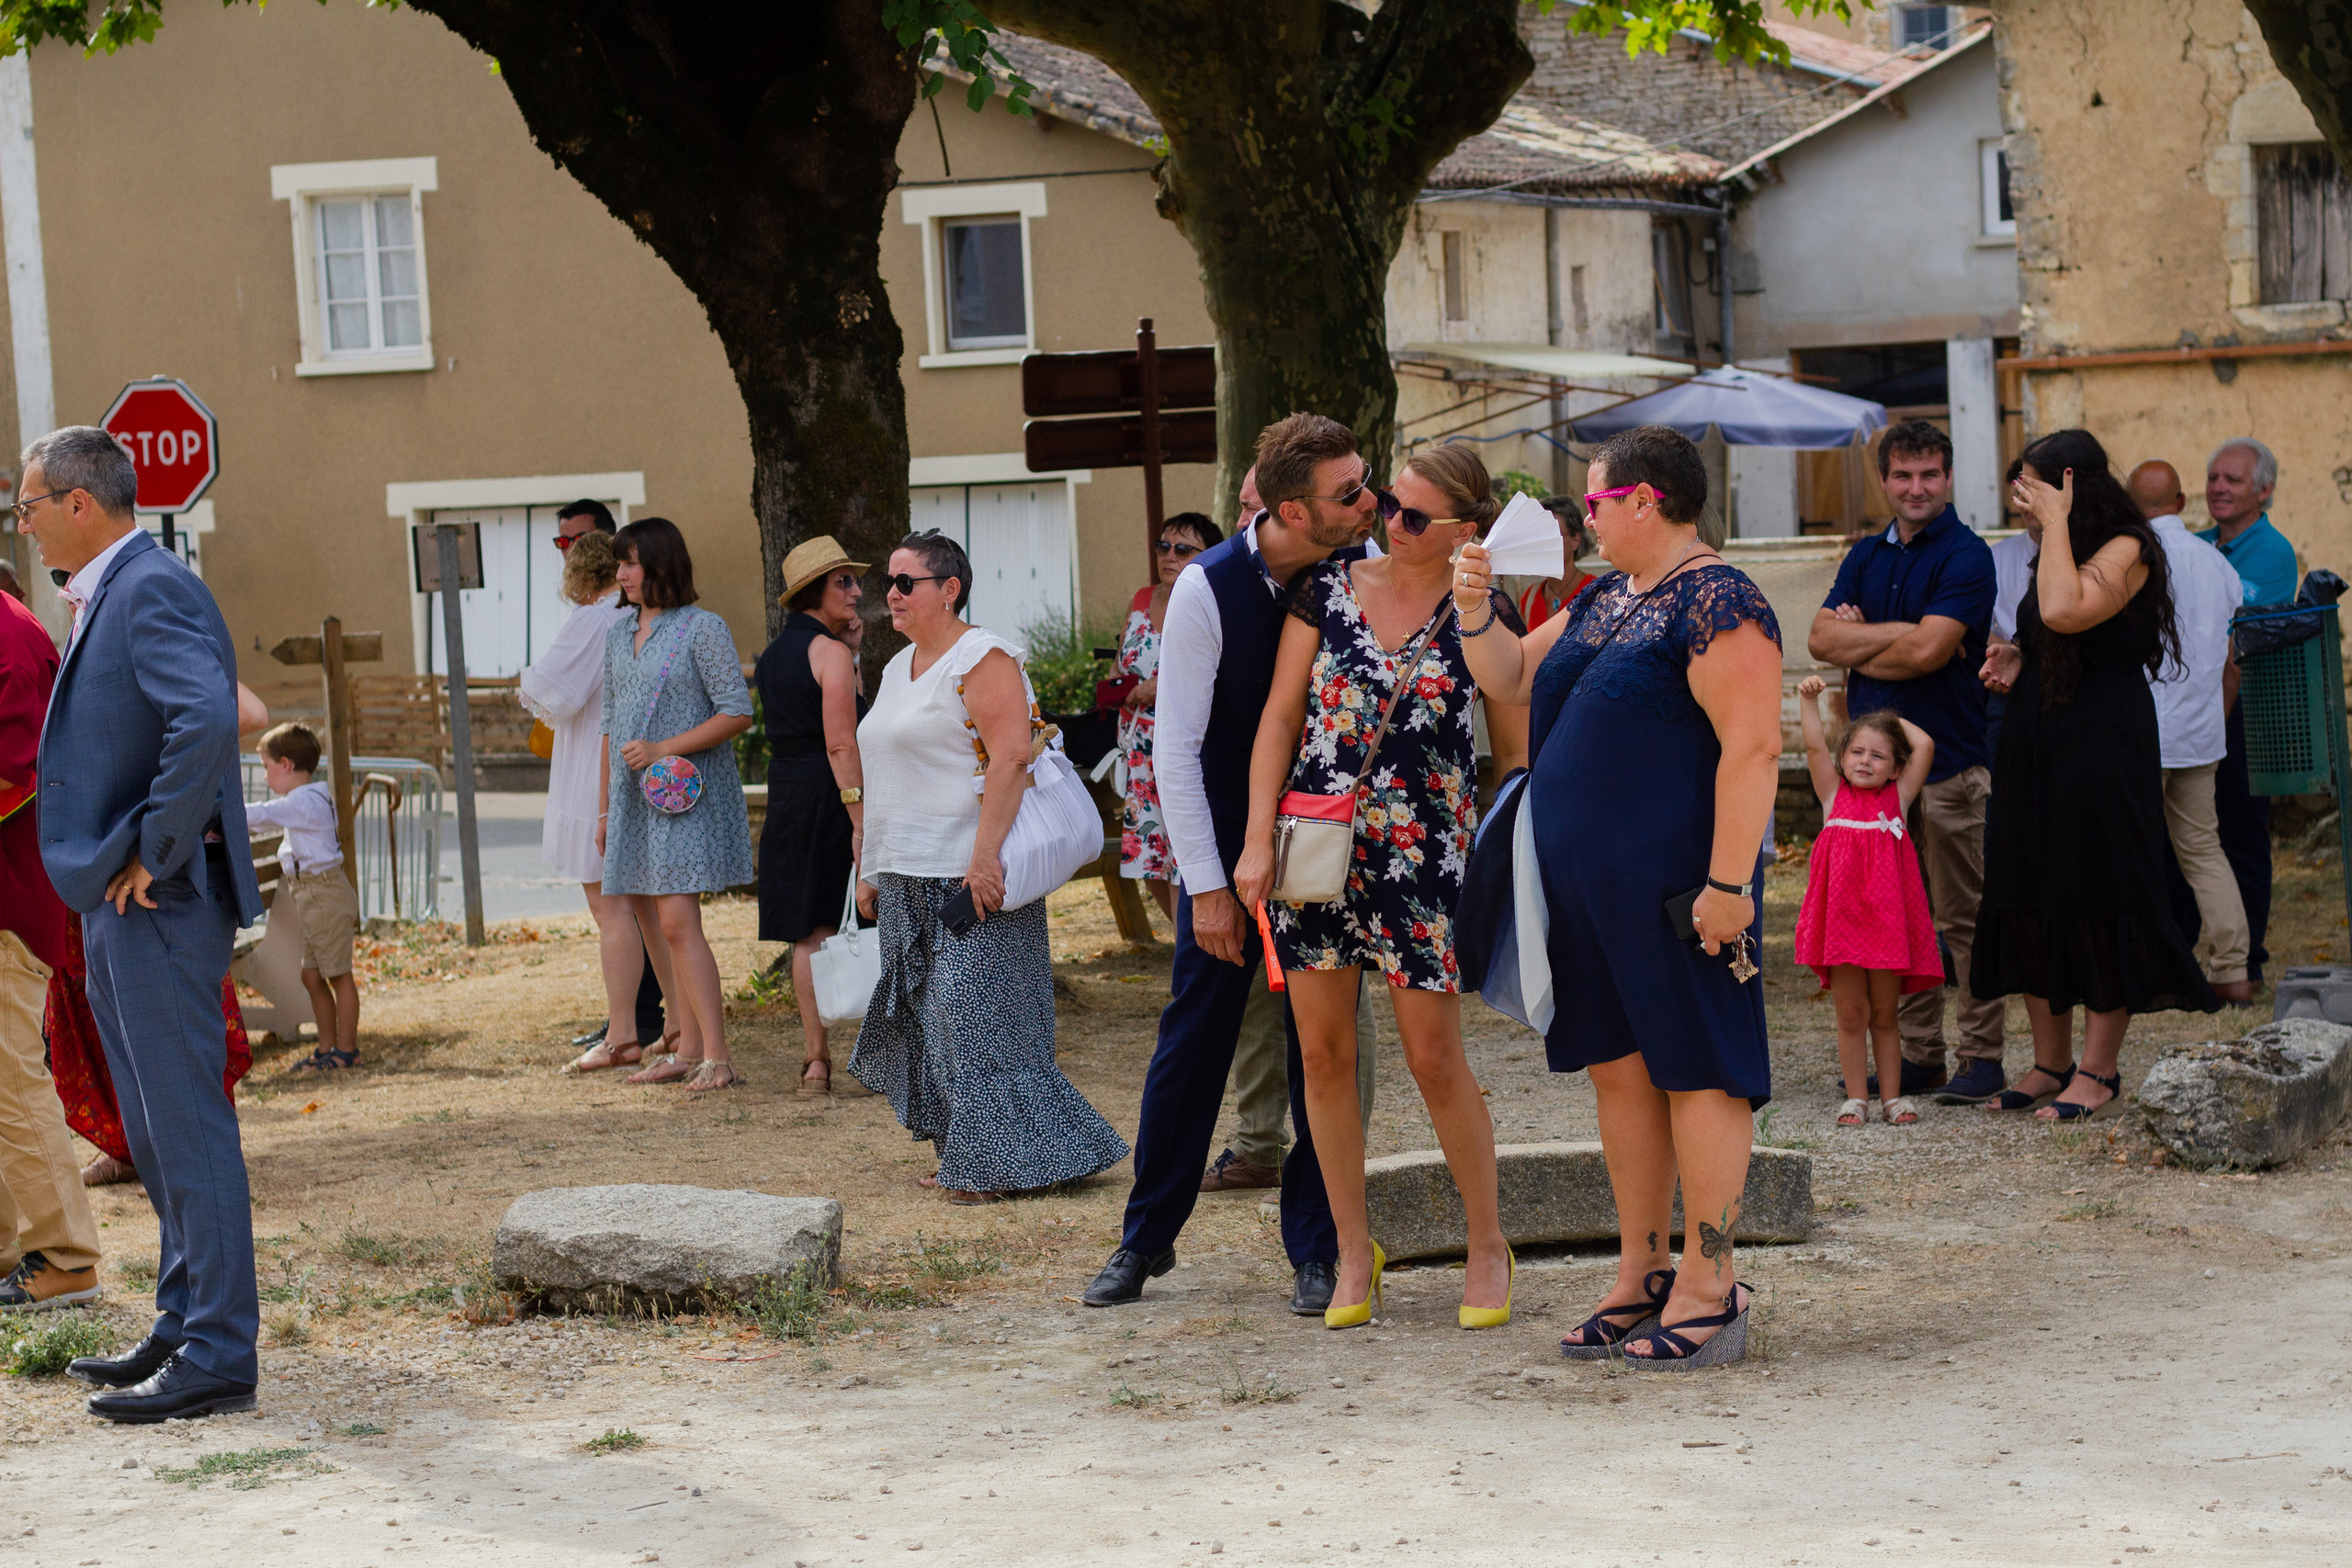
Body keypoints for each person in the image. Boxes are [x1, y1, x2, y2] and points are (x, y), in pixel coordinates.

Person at [1453, 423, 1781, 1367]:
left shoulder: (1720, 599)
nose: (1583, 517)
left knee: (1700, 1070)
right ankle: (1641, 1270)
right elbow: (1510, 678)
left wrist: (1727, 885)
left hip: (1680, 885)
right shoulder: (1607, 597)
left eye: (1593, 501)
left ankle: (1710, 1281)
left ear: (1643, 499)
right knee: (1620, 1069)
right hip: (1586, 889)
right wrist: (1478, 610)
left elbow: (1755, 749)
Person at [1082, 414, 1380, 1314]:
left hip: (1327, 845)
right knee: (1193, 1046)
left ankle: (1318, 1251)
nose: (1368, 503)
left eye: (1365, 484)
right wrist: (1206, 888)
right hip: (1222, 840)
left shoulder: (1355, 570)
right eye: (1348, 493)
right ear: (1292, 508)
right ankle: (1144, 1240)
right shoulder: (1208, 589)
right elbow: (1174, 748)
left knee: (1321, 1055)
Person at [1233, 443, 1520, 1329]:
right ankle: (1355, 1248)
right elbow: (1281, 715)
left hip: (1426, 857)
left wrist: (1497, 857)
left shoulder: (1483, 610)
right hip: (1316, 848)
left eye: (1417, 515)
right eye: (1391, 501)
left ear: (1467, 531)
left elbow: (1513, 746)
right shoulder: (1327, 590)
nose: (1392, 520)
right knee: (1320, 1054)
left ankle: (1486, 1243)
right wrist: (1253, 843)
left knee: (1434, 1056)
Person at [18, 425, 264, 1421]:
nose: (25, 524)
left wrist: (149, 849)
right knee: (154, 1132)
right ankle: (181, 1321)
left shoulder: (149, 585)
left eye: (30, 505)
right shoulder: (114, 589)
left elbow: (208, 717)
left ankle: (218, 1352)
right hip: (125, 902)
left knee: (187, 1125)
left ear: (81, 502)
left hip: (158, 898)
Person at [849, 530, 1128, 1201]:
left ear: (950, 589)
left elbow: (1011, 760)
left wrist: (983, 862)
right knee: (928, 1015)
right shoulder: (897, 667)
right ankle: (968, 1156)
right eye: (888, 581)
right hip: (907, 874)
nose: (890, 593)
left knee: (975, 1014)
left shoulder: (984, 657)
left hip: (968, 870)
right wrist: (869, 867)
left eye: (906, 581)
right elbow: (882, 773)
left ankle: (1004, 1161)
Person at [1973, 430, 2219, 1121]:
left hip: (2102, 742)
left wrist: (2053, 526)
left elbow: (2066, 609)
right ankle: (2050, 1060)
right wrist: (2019, 659)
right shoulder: (2053, 547)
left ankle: (2099, 1070)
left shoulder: (2128, 547)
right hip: (2035, 736)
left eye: (2031, 488)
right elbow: (2049, 631)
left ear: (2068, 485)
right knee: (2027, 883)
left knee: (2100, 886)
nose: (2020, 501)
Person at [1805, 420, 2006, 1108]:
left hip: (1947, 764)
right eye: (1902, 475)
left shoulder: (1968, 556)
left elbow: (1926, 656)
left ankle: (1981, 1054)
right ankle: (1921, 1054)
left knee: (1962, 918)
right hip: (1874, 781)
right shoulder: (1866, 555)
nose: (1915, 487)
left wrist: (1862, 642)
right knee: (1896, 920)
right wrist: (1905, 634)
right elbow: (1820, 638)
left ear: (1948, 479)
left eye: (1928, 474)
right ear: (1885, 480)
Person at [1195, 470, 1375, 1198]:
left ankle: (1332, 1192)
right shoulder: (1223, 583)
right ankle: (1258, 1139)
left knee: (1335, 1024)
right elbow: (1259, 720)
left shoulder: (1353, 575)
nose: (1248, 516)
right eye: (1242, 504)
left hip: (1339, 832)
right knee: (1244, 1009)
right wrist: (1239, 851)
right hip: (1255, 828)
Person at [597, 518, 756, 1092]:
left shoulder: (702, 628)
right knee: (650, 917)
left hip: (684, 799)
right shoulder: (618, 635)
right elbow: (609, 730)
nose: (621, 573)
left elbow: (737, 711)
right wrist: (603, 811)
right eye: (620, 563)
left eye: (632, 562)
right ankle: (686, 1049)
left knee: (675, 921)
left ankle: (718, 1055)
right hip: (631, 802)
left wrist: (665, 746)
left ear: (662, 564)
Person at [536, 502, 673, 1072]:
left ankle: (623, 1032)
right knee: (639, 906)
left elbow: (548, 691)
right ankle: (666, 1022)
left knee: (611, 904)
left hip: (597, 765)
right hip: (619, 757)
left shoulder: (594, 620)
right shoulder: (628, 618)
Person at [0, 582, 101, 1311]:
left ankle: (64, 1254)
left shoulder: (6, 635)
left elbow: (20, 770)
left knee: (12, 1078)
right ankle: (17, 1250)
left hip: (8, 897)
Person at [2127, 461, 2254, 1005]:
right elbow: (2232, 660)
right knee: (2204, 851)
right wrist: (2215, 722)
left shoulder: (2130, 559)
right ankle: (2233, 971)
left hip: (2139, 734)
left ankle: (2144, 974)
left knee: (2133, 854)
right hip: (2201, 733)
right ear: (2182, 502)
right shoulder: (2216, 563)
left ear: (2131, 507)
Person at [754, 536, 875, 1097]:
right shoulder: (828, 654)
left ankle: (815, 1062)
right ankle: (873, 1060)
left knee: (806, 929)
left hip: (788, 791)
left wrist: (850, 649)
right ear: (813, 592)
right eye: (842, 582)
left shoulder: (774, 655)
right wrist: (858, 818)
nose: (856, 591)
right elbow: (842, 745)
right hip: (831, 793)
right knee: (852, 921)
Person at [1792, 680, 1941, 1127]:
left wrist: (1884, 723)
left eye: (1878, 756)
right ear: (1843, 759)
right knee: (1851, 1013)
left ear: (1896, 768)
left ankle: (1892, 1098)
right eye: (1857, 752)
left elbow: (1925, 743)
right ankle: (1856, 1097)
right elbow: (1816, 745)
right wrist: (1807, 700)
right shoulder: (1832, 795)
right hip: (1842, 925)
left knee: (1884, 1014)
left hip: (1887, 926)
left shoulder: (1898, 798)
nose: (1865, 761)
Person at [2199, 438, 2290, 987]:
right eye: (2213, 478)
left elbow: (2234, 629)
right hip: (2200, 706)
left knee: (2241, 831)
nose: (2219, 488)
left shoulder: (2272, 552)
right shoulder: (2197, 543)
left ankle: (2249, 960)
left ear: (2264, 491)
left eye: (2232, 480)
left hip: (2249, 711)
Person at [1116, 511, 1221, 923]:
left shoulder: (1206, 598)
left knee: (1184, 857)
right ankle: (1185, 941)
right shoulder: (1141, 600)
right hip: (1139, 752)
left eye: (1183, 548)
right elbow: (1122, 659)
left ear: (1206, 554)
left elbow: (1211, 670)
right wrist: (1118, 684)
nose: (1169, 555)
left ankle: (1189, 958)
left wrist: (1153, 688)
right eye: (1163, 546)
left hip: (1185, 748)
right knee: (1148, 859)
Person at [244, 723, 363, 1072]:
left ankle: (346, 1050)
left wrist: (219, 809)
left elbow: (263, 816)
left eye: (266, 767)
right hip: (315, 894)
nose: (265, 776)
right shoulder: (311, 796)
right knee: (312, 976)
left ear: (285, 764)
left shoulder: (302, 801)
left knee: (338, 975)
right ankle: (328, 1048)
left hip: (323, 893)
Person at [1515, 497, 1600, 628]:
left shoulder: (1596, 593)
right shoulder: (1529, 597)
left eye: (1552, 535)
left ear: (1575, 541)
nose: (1543, 544)